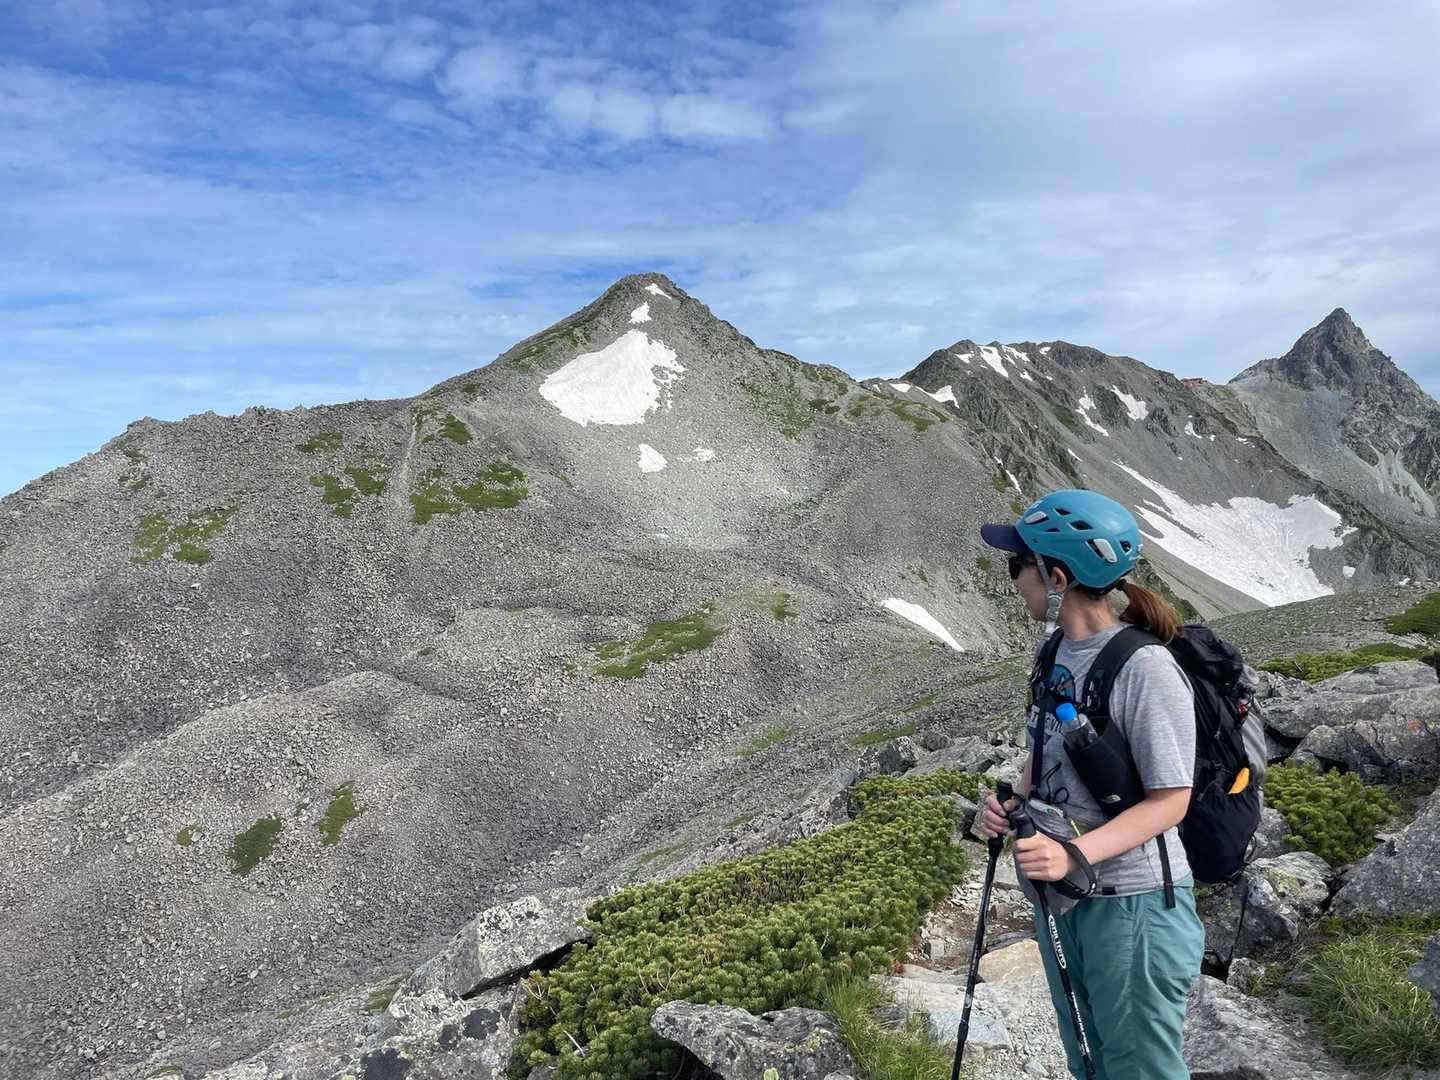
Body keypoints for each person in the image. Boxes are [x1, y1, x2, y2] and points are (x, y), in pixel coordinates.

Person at [976, 489, 1204, 1080]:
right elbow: (1047, 748)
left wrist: (1072, 853)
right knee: (1088, 1057)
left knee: (1139, 1068)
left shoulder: (1146, 668)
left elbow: (1171, 801)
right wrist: (1011, 800)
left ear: (1056, 578)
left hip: (1133, 905)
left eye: (1018, 565)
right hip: (1067, 897)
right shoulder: (1054, 650)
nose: (1013, 580)